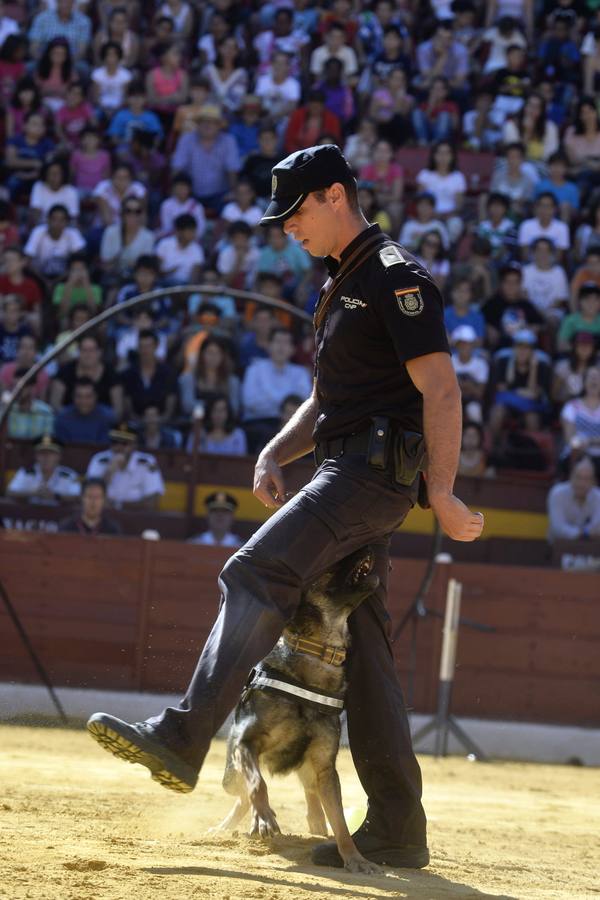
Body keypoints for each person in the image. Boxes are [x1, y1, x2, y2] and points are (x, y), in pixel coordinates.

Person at [88, 143, 484, 872]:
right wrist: (277, 451)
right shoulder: (343, 282)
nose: (285, 229)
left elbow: (442, 389)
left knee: (254, 573)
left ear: (336, 195)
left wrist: (442, 491)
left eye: (294, 212)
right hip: (346, 466)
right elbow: (331, 398)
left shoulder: (397, 277)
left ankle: (183, 737)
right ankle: (398, 826)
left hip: (369, 478)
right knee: (364, 649)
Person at [86, 423, 165, 509]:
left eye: (124, 443)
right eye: (115, 442)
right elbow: (90, 495)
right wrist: (109, 472)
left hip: (136, 517)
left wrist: (118, 505)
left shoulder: (147, 462)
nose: (119, 447)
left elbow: (152, 502)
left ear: (134, 445)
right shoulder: (99, 460)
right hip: (104, 515)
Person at [7, 434, 80, 503]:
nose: (46, 457)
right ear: (36, 456)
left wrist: (56, 496)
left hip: (60, 515)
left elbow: (77, 496)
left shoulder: (69, 475)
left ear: (59, 456)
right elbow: (10, 492)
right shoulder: (26, 472)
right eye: (42, 453)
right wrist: (35, 493)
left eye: (51, 453)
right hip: (30, 514)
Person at [547, 457, 600, 543]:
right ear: (571, 477)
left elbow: (598, 527)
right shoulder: (557, 493)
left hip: (589, 549)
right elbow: (557, 527)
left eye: (586, 479)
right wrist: (583, 534)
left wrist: (584, 534)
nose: (581, 484)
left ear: (593, 482)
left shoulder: (598, 497)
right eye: (578, 477)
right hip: (558, 547)